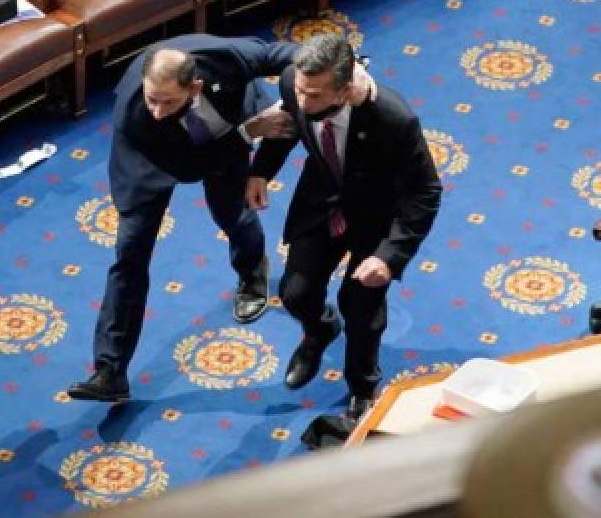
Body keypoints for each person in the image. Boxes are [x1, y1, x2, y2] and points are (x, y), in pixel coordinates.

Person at [68, 34, 306, 403]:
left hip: (224, 129)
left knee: (231, 213)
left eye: (168, 101)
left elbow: (281, 54)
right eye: (152, 99)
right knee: (129, 258)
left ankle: (250, 272)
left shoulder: (221, 57)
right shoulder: (137, 113)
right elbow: (189, 167)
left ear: (194, 86)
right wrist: (250, 131)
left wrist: (336, 69)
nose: (157, 109)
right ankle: (110, 370)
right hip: (151, 165)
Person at [246, 33, 442, 421]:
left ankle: (363, 386)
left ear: (346, 90)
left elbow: (425, 191)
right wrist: (261, 171)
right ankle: (319, 331)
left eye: (315, 95)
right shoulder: (296, 82)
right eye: (301, 90)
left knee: (361, 309)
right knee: (296, 294)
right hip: (320, 204)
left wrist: (389, 257)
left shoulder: (394, 119)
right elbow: (287, 124)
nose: (304, 101)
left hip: (376, 219)